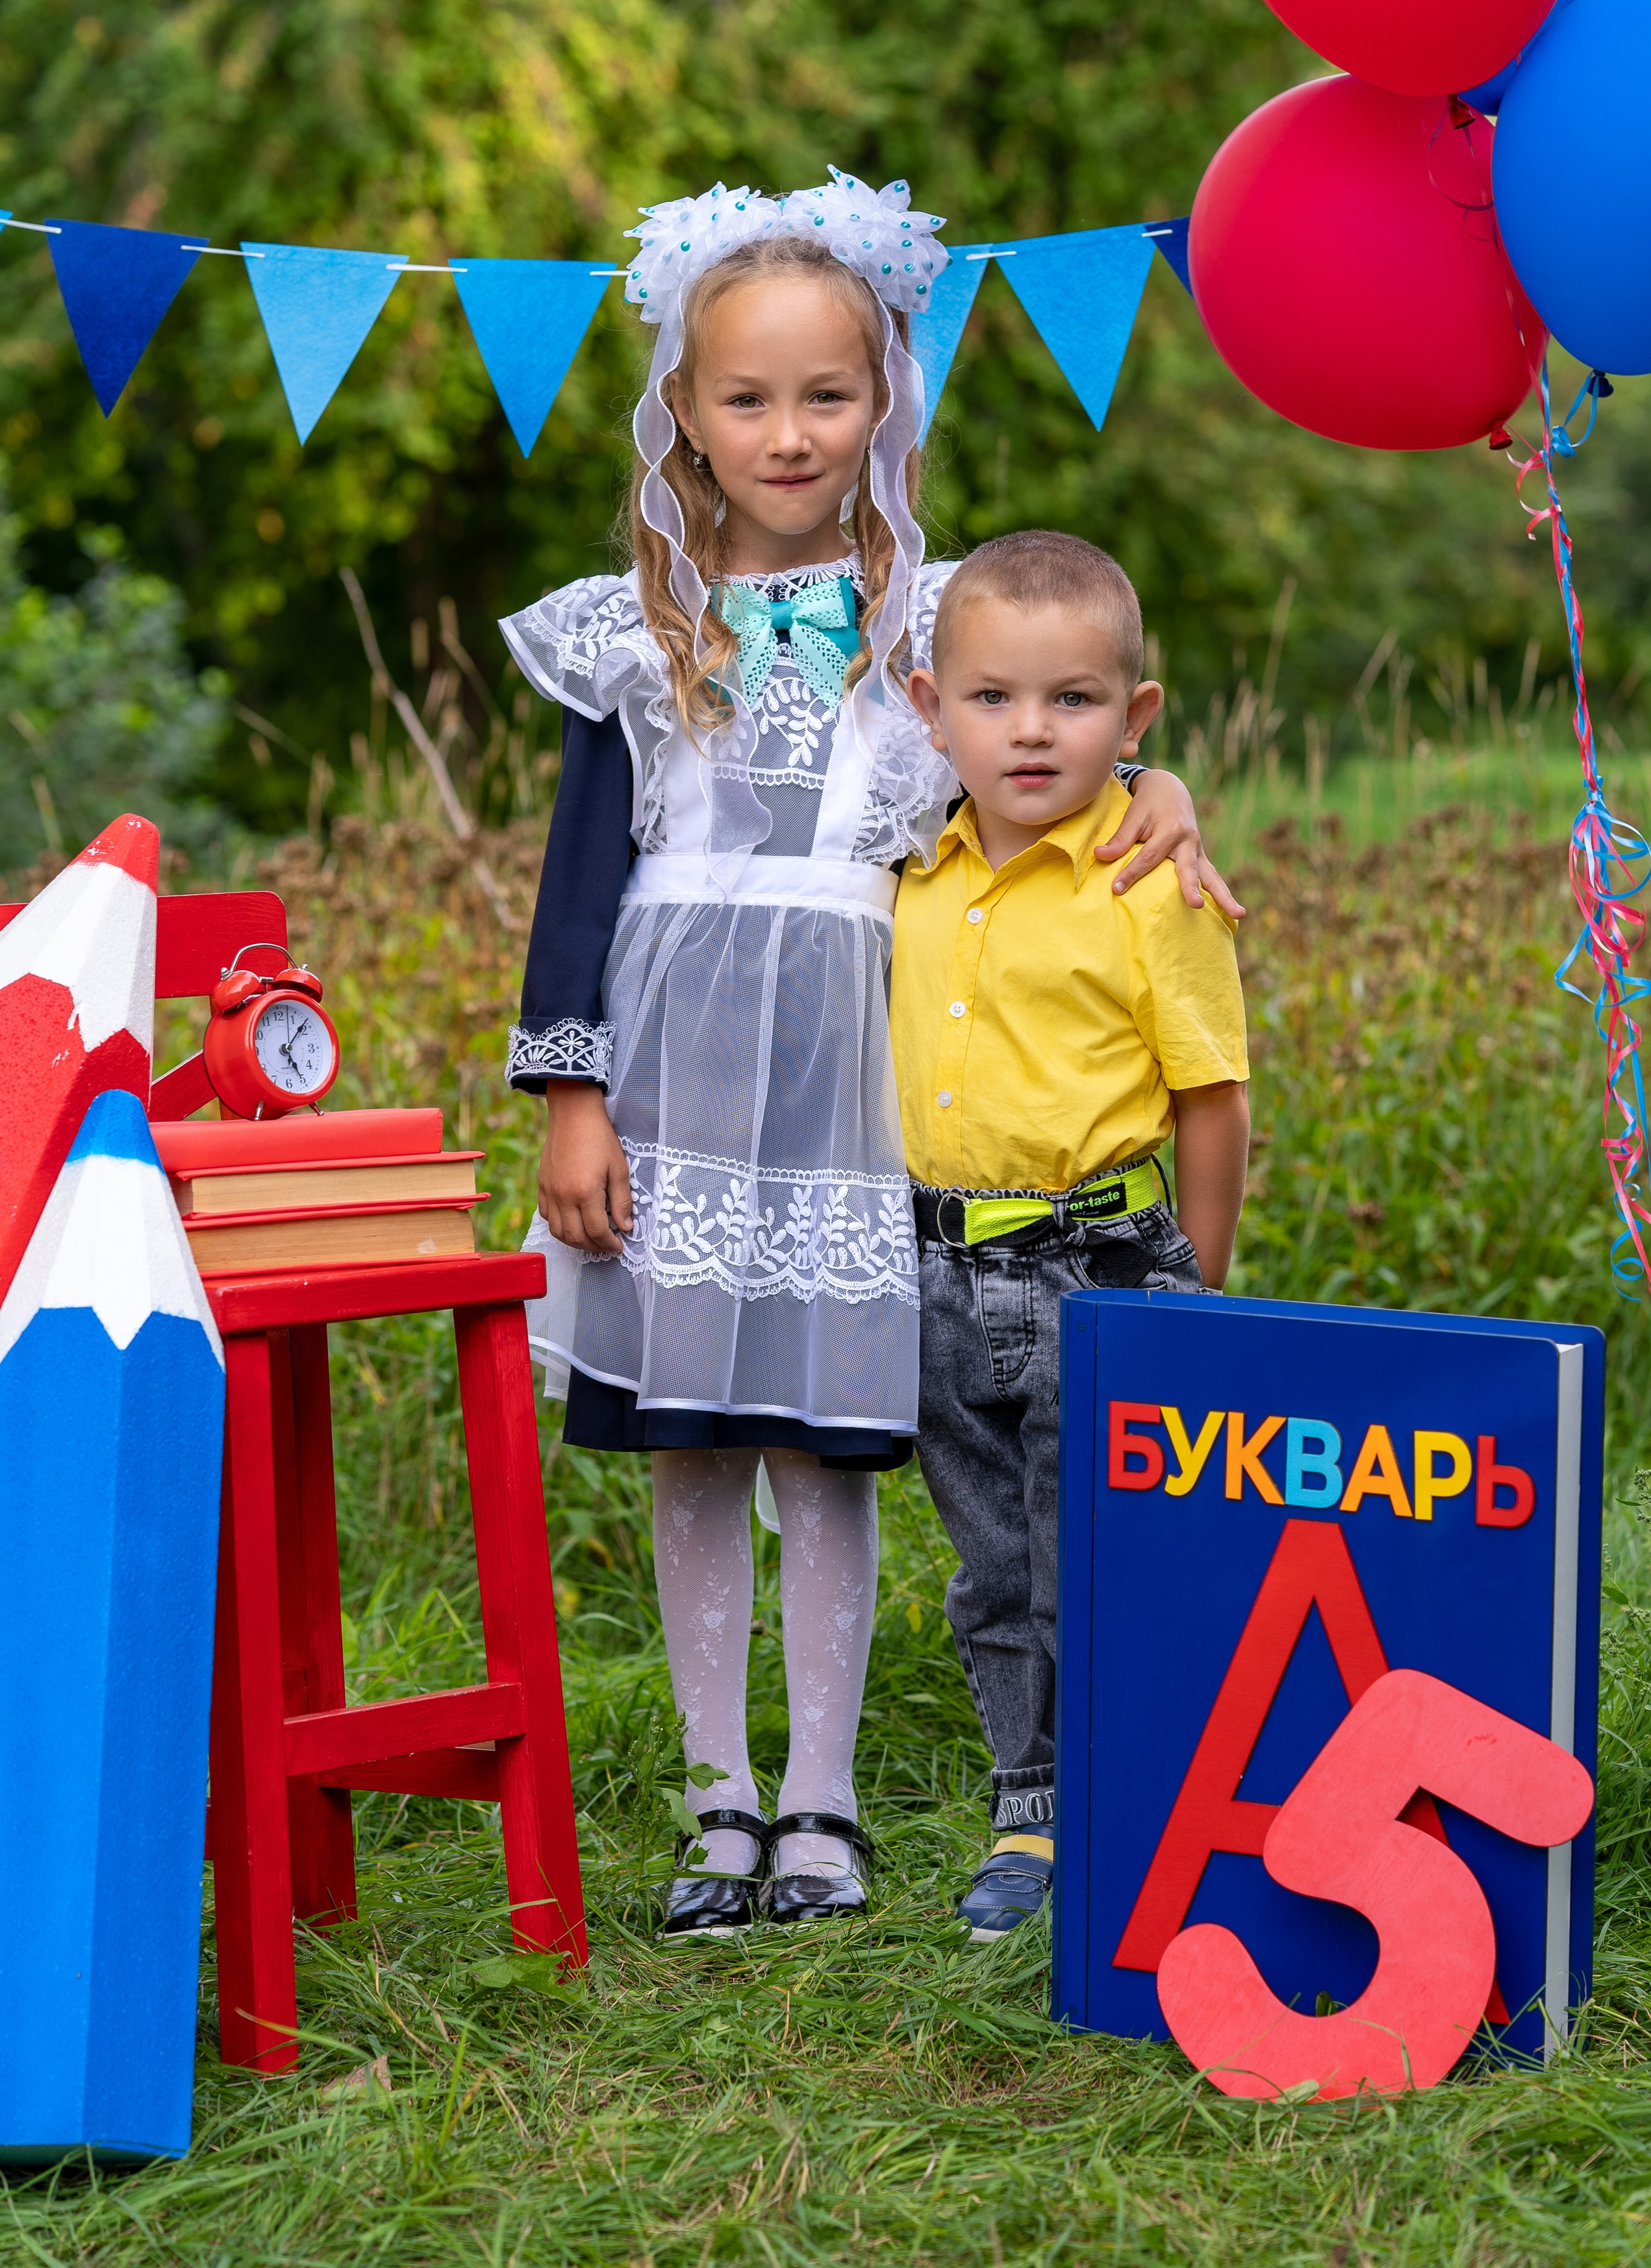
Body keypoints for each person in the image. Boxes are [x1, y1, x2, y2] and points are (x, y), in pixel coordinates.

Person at [499, 175, 1234, 1939]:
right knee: (693, 1441)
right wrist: (573, 1095)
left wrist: (1163, 789)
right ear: (683, 406)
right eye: (746, 397)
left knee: (832, 1440)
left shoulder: (932, 615)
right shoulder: (637, 622)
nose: (787, 430)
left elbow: (1048, 730)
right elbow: (580, 875)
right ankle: (716, 1799)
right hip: (672, 1082)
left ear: (883, 399)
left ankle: (820, 1807)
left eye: (826, 394)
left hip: (851, 1087)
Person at [892, 529, 1250, 1944]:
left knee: (1094, 1544)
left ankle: (1139, 1795)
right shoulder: (906, 864)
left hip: (1096, 1269)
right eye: (990, 698)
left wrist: (1200, 1300)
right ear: (929, 709)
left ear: (1135, 715)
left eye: (1073, 701)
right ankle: (1027, 1804)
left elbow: (1209, 1096)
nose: (1030, 729)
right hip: (929, 1268)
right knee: (990, 1560)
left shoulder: (1145, 879)